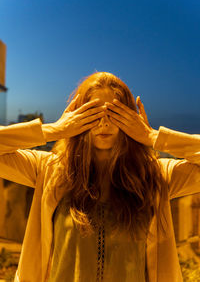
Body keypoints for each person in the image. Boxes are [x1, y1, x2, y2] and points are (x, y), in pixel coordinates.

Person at [0, 71, 200, 282]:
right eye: (94, 113)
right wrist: (53, 130)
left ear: (131, 119)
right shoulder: (48, 170)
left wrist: (153, 136)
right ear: (77, 116)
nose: (104, 123)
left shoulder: (156, 176)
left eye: (114, 113)